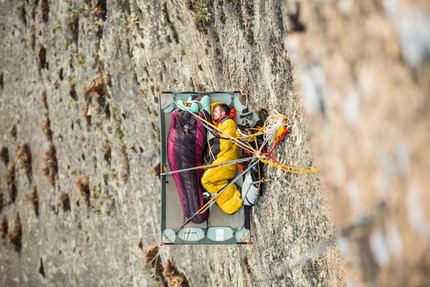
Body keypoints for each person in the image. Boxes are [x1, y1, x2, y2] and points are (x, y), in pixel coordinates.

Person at [201, 103, 242, 214]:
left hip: (226, 163)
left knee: (206, 180)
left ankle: (233, 193)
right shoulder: (220, 125)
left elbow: (223, 144)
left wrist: (210, 157)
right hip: (222, 163)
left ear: (223, 113)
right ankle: (231, 198)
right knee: (209, 180)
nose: (213, 113)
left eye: (216, 111)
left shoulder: (229, 123)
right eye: (213, 111)